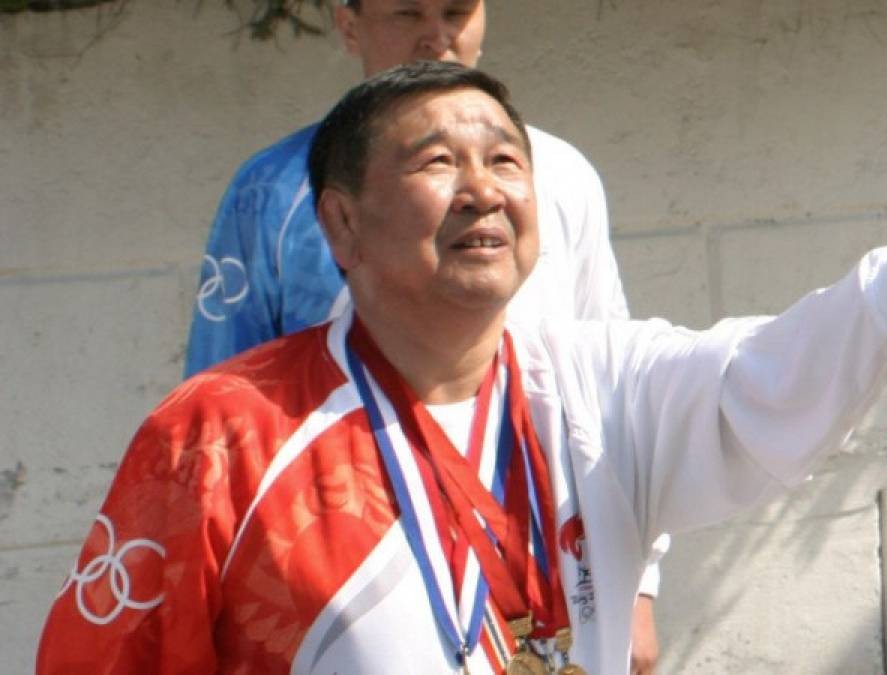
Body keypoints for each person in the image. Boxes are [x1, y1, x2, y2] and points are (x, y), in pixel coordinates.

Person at [38, 62, 887, 674]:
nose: (483, 190)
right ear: (341, 222)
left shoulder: (598, 385)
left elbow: (764, 377)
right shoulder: (218, 436)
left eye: (506, 161)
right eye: (437, 162)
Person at [184, 1, 666, 669]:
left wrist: (639, 583)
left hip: (542, 557)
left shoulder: (562, 177)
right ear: (347, 23)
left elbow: (613, 391)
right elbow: (217, 421)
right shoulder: (271, 192)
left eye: (456, 12)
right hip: (350, 567)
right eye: (406, 12)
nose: (436, 36)